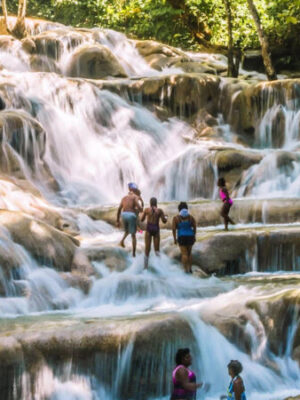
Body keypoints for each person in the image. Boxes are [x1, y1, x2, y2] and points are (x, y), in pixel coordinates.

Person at [116, 182, 143, 257]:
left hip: (123, 215)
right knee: (133, 235)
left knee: (128, 230)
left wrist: (117, 221)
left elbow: (119, 209)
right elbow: (140, 208)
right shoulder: (135, 197)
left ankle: (122, 241)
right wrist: (141, 208)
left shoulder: (123, 198)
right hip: (131, 216)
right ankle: (134, 253)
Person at [140, 197, 167, 269]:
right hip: (156, 230)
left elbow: (142, 220)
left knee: (147, 250)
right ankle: (159, 267)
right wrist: (166, 217)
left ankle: (145, 267)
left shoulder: (146, 210)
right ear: (156, 203)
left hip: (148, 229)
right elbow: (164, 221)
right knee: (157, 250)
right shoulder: (160, 210)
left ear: (150, 203)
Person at [172, 202, 196, 274]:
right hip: (190, 236)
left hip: (181, 236)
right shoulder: (191, 217)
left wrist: (175, 239)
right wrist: (194, 235)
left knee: (184, 254)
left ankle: (185, 270)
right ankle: (190, 268)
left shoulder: (176, 218)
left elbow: (173, 229)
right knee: (189, 253)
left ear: (179, 209)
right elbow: (194, 227)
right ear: (187, 208)